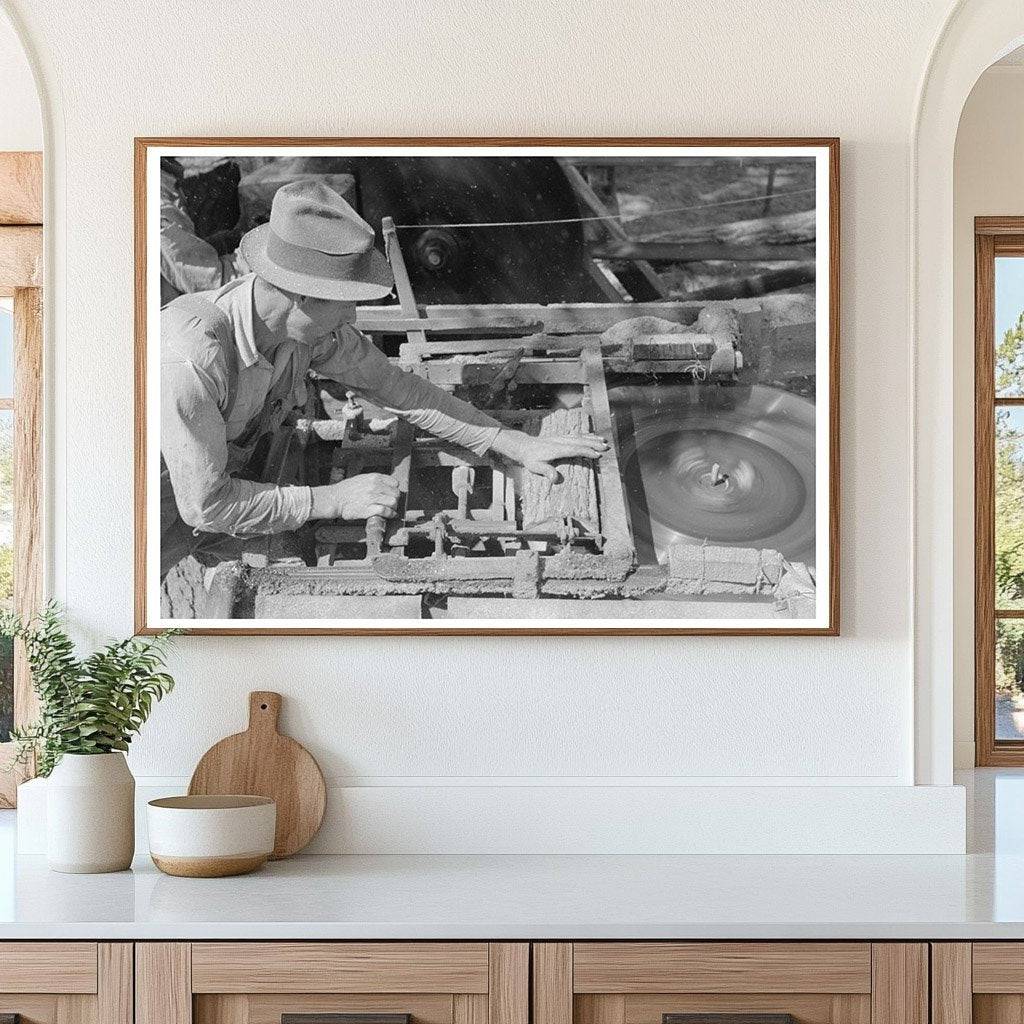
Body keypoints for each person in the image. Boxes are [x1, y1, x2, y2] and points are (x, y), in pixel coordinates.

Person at [160, 180, 608, 583]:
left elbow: (398, 388)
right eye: (345, 302)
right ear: (299, 294)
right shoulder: (193, 358)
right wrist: (331, 500)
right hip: (143, 515)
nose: (353, 316)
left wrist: (510, 442)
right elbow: (206, 504)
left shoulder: (306, 331)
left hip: (223, 493)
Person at [159, 157, 247, 304]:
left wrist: (224, 241)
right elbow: (213, 283)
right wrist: (259, 254)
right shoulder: (158, 202)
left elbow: (179, 257)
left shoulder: (161, 181)